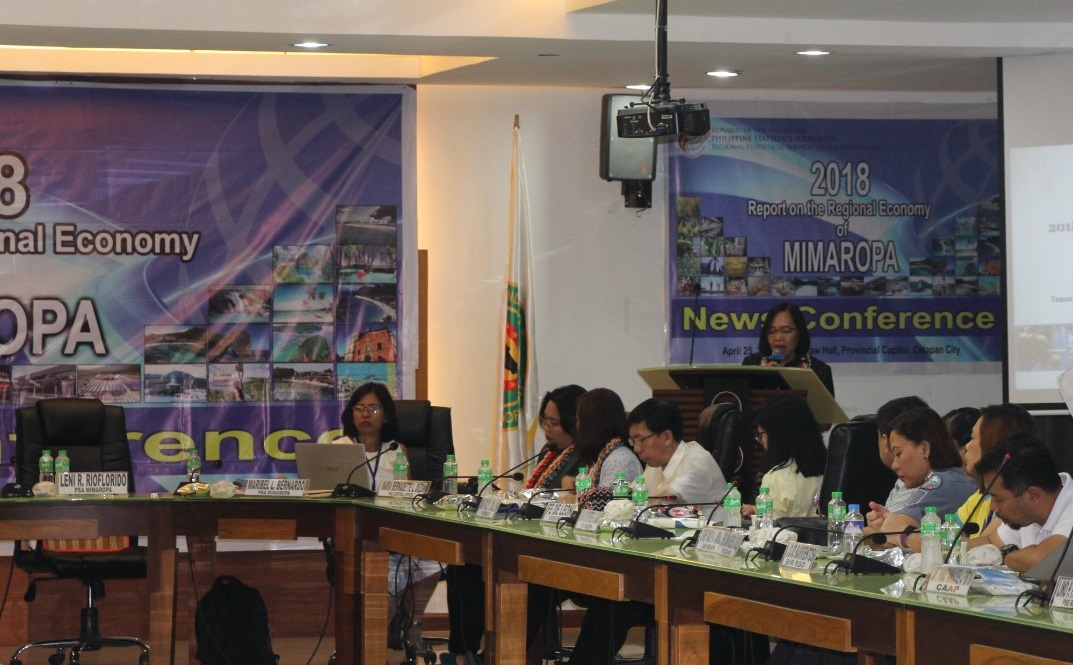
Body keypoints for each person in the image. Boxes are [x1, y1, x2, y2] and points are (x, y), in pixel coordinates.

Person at [567, 398, 726, 665]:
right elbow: (631, 502)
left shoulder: (696, 462)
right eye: (633, 442)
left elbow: (657, 506)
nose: (637, 450)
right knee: (607, 600)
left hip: (703, 574)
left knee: (611, 606)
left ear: (666, 436)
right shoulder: (655, 467)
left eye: (641, 440)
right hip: (668, 565)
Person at [443, 384, 586, 665]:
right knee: (464, 566)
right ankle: (463, 653)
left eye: (554, 422)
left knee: (522, 579)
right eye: (544, 419)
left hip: (559, 554)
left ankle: (494, 657)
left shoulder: (584, 459)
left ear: (574, 423)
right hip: (529, 542)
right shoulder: (550, 454)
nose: (546, 427)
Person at [333, 382, 442, 656]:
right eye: (359, 408)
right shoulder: (339, 448)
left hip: (393, 537)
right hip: (356, 541)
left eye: (373, 408)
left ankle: (412, 622)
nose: (365, 414)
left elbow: (410, 494)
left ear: (387, 416)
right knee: (384, 588)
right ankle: (381, 637)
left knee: (437, 560)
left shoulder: (397, 450)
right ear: (351, 414)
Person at [864, 406, 975, 547]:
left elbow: (891, 538)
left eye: (898, 453)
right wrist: (882, 525)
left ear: (924, 449)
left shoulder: (944, 483)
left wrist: (878, 529)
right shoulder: (944, 479)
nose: (894, 465)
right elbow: (889, 532)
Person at [967, 433, 1073, 573]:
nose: (992, 506)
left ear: (1033, 495)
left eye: (998, 499)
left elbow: (1043, 560)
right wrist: (940, 547)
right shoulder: (1026, 514)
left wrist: (1003, 555)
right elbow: (990, 543)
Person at [742, 395, 826, 520]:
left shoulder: (776, 479)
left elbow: (771, 532)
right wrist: (756, 509)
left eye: (761, 435)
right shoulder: (833, 468)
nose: (763, 443)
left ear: (777, 436)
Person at [957, 404, 1035, 534]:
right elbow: (945, 536)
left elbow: (986, 547)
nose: (967, 446)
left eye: (973, 438)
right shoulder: (978, 497)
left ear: (993, 444)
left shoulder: (1014, 503)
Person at [742, 302, 834, 397]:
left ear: (800, 332)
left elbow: (828, 411)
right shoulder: (751, 363)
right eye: (772, 331)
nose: (778, 337)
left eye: (786, 330)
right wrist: (762, 379)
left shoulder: (820, 370)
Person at [573, 387, 643, 487]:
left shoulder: (618, 459)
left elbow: (606, 501)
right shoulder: (605, 454)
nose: (577, 425)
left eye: (578, 420)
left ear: (590, 425)